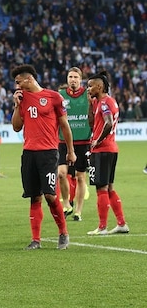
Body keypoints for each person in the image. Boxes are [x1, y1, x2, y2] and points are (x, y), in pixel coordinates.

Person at [11, 64, 76, 250]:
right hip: (29, 153)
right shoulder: (22, 99)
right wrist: (16, 105)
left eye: (18, 82)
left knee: (50, 195)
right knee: (34, 197)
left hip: (48, 153)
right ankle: (36, 240)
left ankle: (63, 233)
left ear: (29, 79)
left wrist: (70, 151)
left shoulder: (53, 97)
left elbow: (65, 126)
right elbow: (16, 126)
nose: (16, 86)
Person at [85, 71, 130, 235]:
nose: (88, 89)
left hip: (103, 150)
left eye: (90, 86)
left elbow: (109, 123)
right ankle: (121, 224)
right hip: (110, 149)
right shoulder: (102, 102)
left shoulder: (104, 103)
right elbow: (92, 124)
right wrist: (90, 105)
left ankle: (102, 227)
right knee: (109, 187)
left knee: (101, 188)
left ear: (99, 86)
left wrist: (97, 140)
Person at [58, 67, 91, 221]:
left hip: (83, 142)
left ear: (81, 79)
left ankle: (78, 211)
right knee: (61, 173)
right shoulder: (60, 95)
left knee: (80, 177)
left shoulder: (88, 95)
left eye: (76, 77)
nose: (72, 79)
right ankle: (66, 204)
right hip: (63, 141)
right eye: (70, 76)